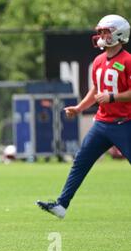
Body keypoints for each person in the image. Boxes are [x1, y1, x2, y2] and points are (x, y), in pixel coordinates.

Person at [37, 14, 131, 219]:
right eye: (101, 32)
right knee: (81, 162)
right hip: (102, 123)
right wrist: (79, 108)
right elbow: (95, 90)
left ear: (119, 33)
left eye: (107, 31)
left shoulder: (127, 60)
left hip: (124, 123)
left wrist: (113, 97)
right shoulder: (98, 61)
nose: (102, 35)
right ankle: (61, 205)